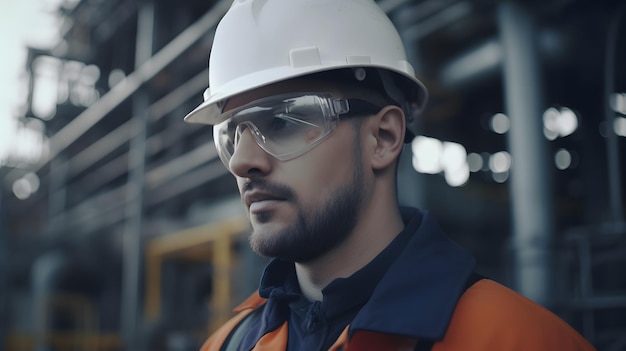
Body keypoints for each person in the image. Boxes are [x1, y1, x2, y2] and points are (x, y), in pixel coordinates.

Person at [184, 0, 597, 350]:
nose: (242, 162)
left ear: (383, 137)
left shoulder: (519, 339)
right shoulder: (227, 343)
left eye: (283, 121)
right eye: (231, 136)